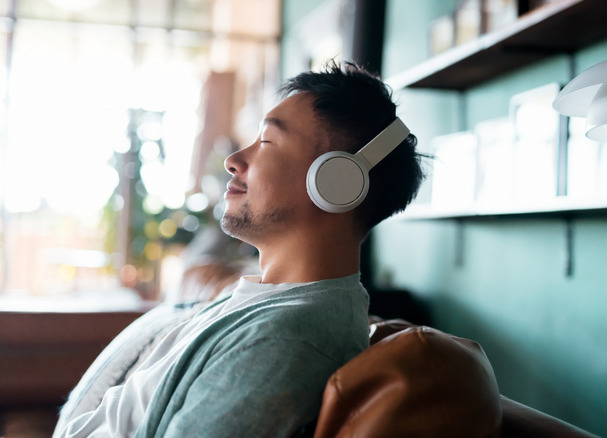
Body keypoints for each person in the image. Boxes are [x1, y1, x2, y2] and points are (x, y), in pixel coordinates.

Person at [54, 61, 426, 438]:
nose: (233, 161)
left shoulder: (288, 339)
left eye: (266, 141)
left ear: (336, 182)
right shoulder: (259, 298)